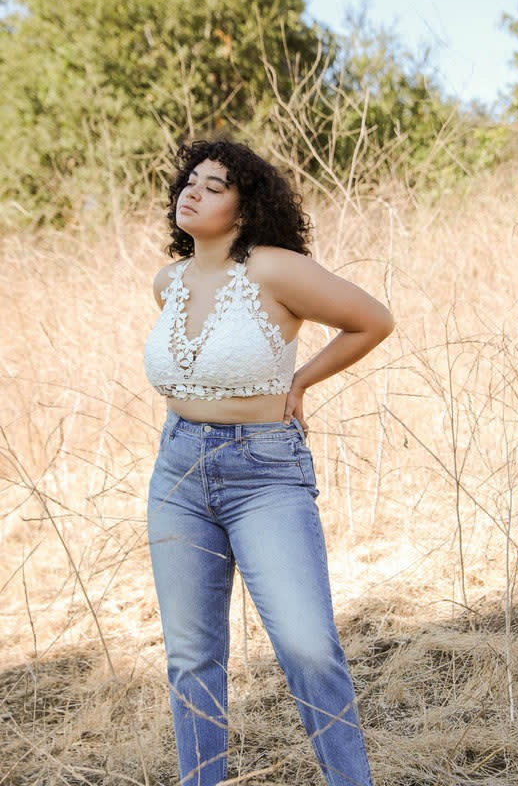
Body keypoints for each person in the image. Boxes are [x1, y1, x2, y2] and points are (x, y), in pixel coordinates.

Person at [144, 138, 394, 786]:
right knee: (191, 657)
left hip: (263, 473)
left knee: (308, 647)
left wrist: (301, 380)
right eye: (189, 180)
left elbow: (372, 320)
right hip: (177, 472)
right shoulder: (168, 282)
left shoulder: (274, 269)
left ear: (246, 207)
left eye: (215, 186)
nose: (193, 191)